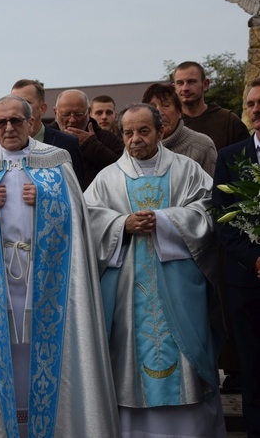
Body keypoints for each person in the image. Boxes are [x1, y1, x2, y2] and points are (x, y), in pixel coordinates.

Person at [0, 95, 119, 437]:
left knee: (43, 348)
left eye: (15, 121)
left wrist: (47, 199)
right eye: (1, 123)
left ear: (31, 122)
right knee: (5, 349)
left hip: (45, 280)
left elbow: (78, 218)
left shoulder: (55, 161)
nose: (9, 128)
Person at [86, 103, 225, 437]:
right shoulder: (107, 178)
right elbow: (87, 220)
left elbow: (209, 212)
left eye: (144, 130)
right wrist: (122, 224)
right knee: (129, 357)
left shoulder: (187, 170)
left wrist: (164, 220)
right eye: (129, 132)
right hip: (127, 289)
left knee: (187, 357)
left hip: (179, 286)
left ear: (161, 131)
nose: (136, 139)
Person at [212, 78, 260, 436]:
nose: (256, 109)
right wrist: (255, 259)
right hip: (247, 280)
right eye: (252, 103)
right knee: (254, 369)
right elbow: (222, 219)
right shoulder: (232, 157)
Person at [11, 79, 85, 185]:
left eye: (26, 103)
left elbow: (76, 191)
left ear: (42, 109)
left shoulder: (67, 145)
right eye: (14, 103)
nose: (17, 109)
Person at [50, 88, 123, 189]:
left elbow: (123, 172)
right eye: (66, 114)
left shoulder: (109, 139)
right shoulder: (46, 137)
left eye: (78, 114)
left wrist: (92, 145)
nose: (72, 120)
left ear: (88, 112)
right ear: (55, 112)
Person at [143, 83, 216, 175]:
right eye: (152, 107)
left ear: (179, 111)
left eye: (166, 105)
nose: (159, 112)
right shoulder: (136, 146)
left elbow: (212, 187)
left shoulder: (203, 146)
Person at [174, 61, 249, 150]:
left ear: (205, 84)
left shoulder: (228, 121)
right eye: (180, 83)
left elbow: (247, 160)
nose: (185, 88)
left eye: (191, 82)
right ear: (173, 87)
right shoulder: (169, 123)